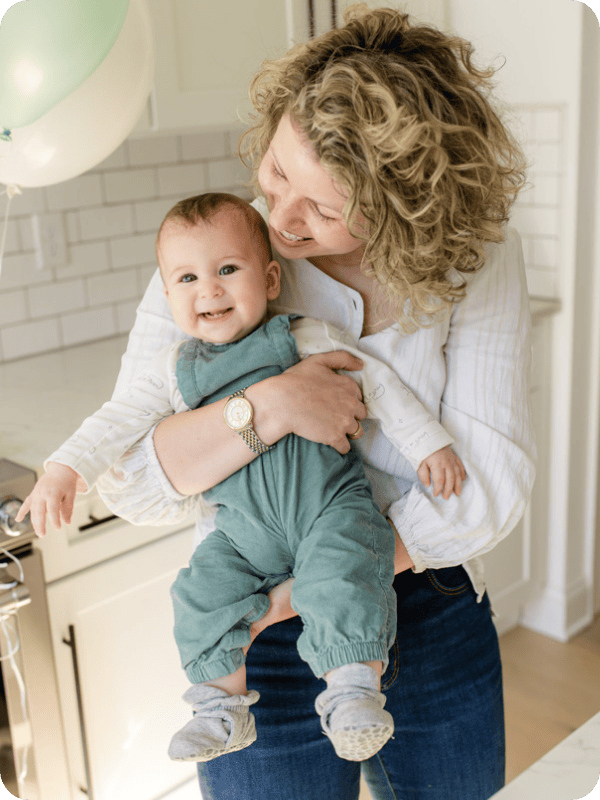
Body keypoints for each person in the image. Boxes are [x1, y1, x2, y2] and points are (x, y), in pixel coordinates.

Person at [71, 6, 535, 799]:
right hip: (256, 641)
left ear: (408, 209)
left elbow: (488, 491)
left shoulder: (475, 259)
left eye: (323, 209)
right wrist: (270, 407)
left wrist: (325, 585)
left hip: (426, 611)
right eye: (279, 171)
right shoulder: (217, 260)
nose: (278, 220)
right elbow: (134, 483)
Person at [17, 192, 466, 765]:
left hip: (326, 505)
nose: (209, 289)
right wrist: (66, 467)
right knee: (200, 592)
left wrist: (430, 444)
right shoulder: (173, 371)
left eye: (228, 269)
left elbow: (376, 385)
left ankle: (353, 694)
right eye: (187, 278)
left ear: (271, 278)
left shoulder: (301, 336)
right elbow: (116, 422)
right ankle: (220, 710)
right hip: (242, 532)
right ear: (167, 292)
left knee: (346, 569)